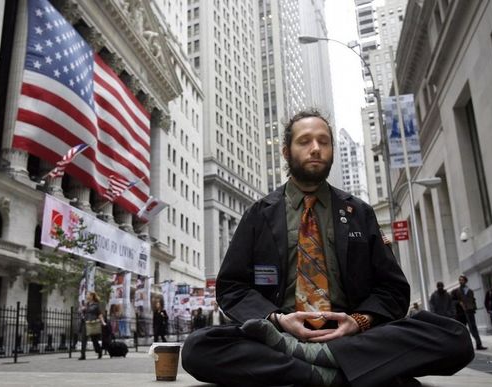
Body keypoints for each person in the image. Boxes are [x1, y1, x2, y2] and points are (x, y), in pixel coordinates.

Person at [181, 109, 473, 387]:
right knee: (197, 348)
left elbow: (393, 290)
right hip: (279, 335)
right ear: (286, 152)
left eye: (323, 141)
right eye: (305, 141)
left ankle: (310, 370)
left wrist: (358, 322)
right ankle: (348, 374)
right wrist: (277, 320)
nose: (316, 148)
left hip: (352, 336)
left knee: (455, 338)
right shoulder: (259, 214)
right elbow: (232, 287)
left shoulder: (359, 212)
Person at [451, 274, 487, 350]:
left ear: (465, 281)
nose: (460, 281)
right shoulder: (455, 291)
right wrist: (459, 302)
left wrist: (474, 307)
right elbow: (452, 301)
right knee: (462, 330)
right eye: (460, 280)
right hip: (461, 313)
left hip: (470, 312)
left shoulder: (470, 291)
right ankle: (463, 346)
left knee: (473, 328)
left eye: (462, 280)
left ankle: (478, 344)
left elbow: (473, 300)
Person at [79, 291, 105, 360]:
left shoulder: (96, 305)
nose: (86, 295)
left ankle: (99, 351)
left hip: (93, 324)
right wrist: (82, 309)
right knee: (83, 339)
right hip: (86, 323)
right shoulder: (86, 304)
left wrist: (103, 322)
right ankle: (83, 355)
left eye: (87, 294)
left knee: (94, 340)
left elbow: (100, 314)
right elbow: (82, 312)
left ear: (91, 296)